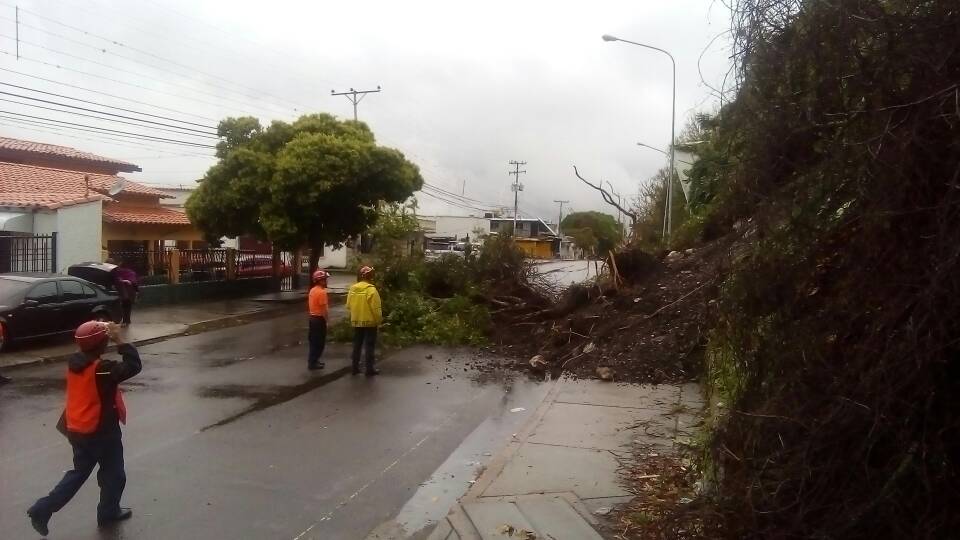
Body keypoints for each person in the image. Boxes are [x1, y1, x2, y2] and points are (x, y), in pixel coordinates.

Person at [27, 321, 142, 536]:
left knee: (89, 473)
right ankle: (103, 512)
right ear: (102, 343)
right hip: (100, 431)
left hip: (77, 427)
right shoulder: (102, 370)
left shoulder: (75, 363)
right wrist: (119, 339)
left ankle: (48, 509)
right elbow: (134, 365)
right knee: (111, 473)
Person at [346, 266, 382, 376]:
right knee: (369, 346)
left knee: (357, 344)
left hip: (357, 322)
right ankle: (369, 369)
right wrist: (379, 321)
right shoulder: (371, 290)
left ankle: (354, 368)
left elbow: (348, 306)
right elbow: (376, 309)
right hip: (370, 323)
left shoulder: (352, 289)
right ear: (370, 276)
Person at [307, 269, 330, 370]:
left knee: (313, 341)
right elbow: (324, 309)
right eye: (325, 279)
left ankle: (314, 360)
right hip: (319, 319)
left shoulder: (312, 290)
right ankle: (313, 363)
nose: (326, 281)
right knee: (319, 342)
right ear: (320, 280)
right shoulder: (322, 292)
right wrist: (327, 321)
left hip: (312, 318)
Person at [112, 260, 139, 327]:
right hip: (127, 293)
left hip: (125, 293)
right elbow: (134, 282)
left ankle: (125, 321)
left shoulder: (118, 272)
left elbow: (131, 282)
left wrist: (123, 281)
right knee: (126, 307)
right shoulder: (130, 272)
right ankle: (126, 320)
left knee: (125, 307)